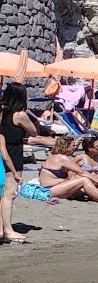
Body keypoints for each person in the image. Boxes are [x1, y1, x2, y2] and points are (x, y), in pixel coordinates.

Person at [1, 83, 40, 242]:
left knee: (2, 194)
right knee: (10, 193)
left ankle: (2, 229)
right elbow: (34, 131)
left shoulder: (2, 112)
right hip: (14, 152)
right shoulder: (20, 115)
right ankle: (9, 230)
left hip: (2, 150)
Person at [38, 137, 98, 203]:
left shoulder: (58, 157)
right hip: (48, 190)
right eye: (73, 145)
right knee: (84, 180)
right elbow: (82, 171)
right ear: (66, 147)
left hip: (55, 187)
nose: (75, 147)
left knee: (86, 185)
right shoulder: (62, 158)